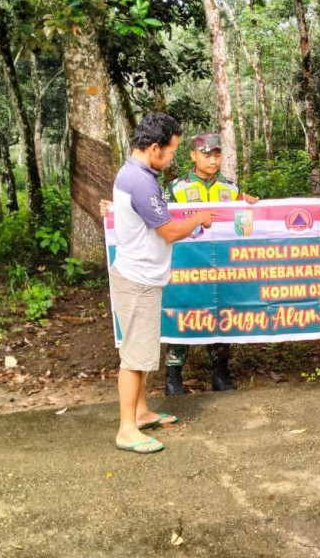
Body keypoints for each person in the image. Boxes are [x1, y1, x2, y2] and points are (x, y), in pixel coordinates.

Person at [108, 112, 215, 454]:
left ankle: (140, 412)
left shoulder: (136, 172)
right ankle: (127, 429)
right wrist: (197, 218)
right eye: (171, 151)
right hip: (137, 278)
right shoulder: (141, 181)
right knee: (134, 358)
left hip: (139, 274)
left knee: (141, 351)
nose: (172, 158)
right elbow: (168, 230)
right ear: (155, 148)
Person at [163, 133, 258, 395]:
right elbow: (156, 219)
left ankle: (220, 372)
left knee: (220, 313)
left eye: (217, 154)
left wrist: (251, 204)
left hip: (221, 266)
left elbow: (246, 224)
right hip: (186, 264)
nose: (213, 160)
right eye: (207, 155)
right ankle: (173, 376)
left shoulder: (230, 188)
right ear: (193, 156)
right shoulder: (176, 189)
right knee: (183, 313)